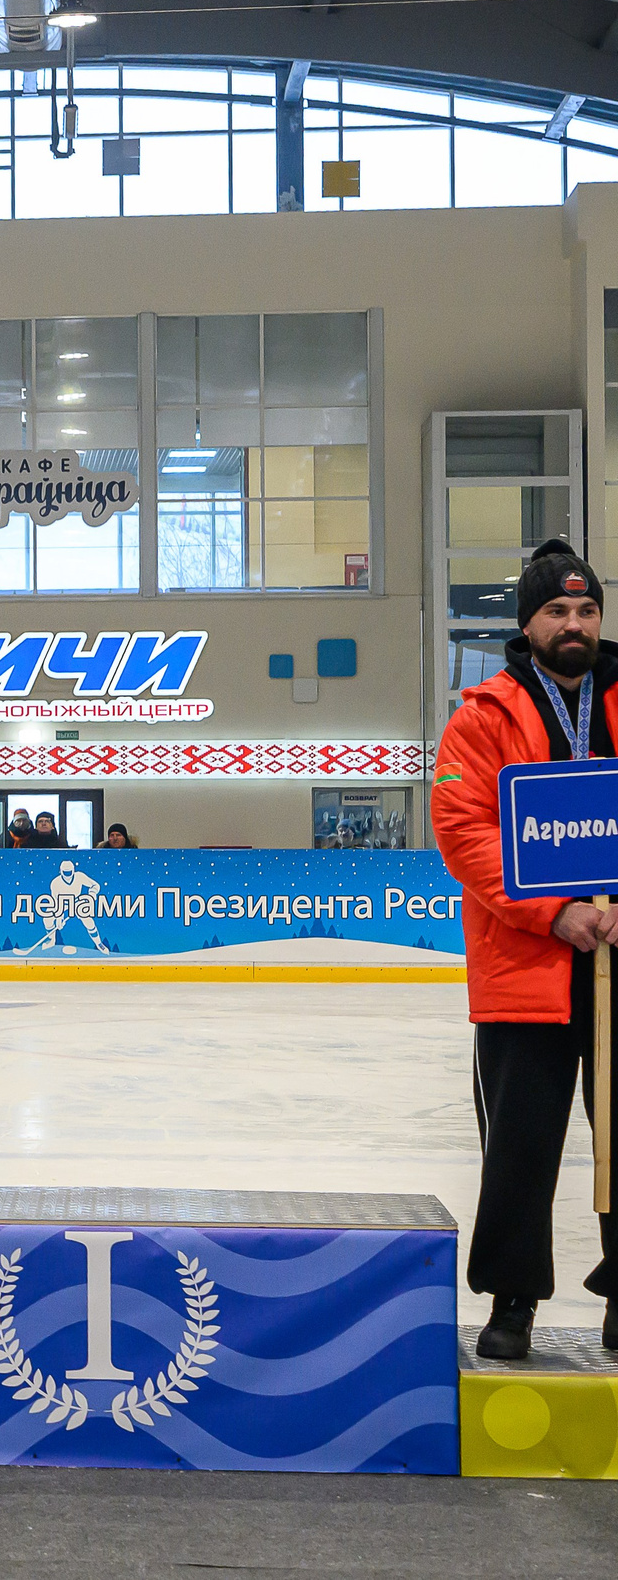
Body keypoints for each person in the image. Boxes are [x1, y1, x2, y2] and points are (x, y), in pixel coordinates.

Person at [433, 537, 618, 1358]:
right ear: (528, 622)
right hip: (527, 966)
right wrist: (552, 912)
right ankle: (513, 1300)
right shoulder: (483, 716)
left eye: (586, 609)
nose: (573, 623)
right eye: (556, 610)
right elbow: (464, 831)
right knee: (521, 1144)